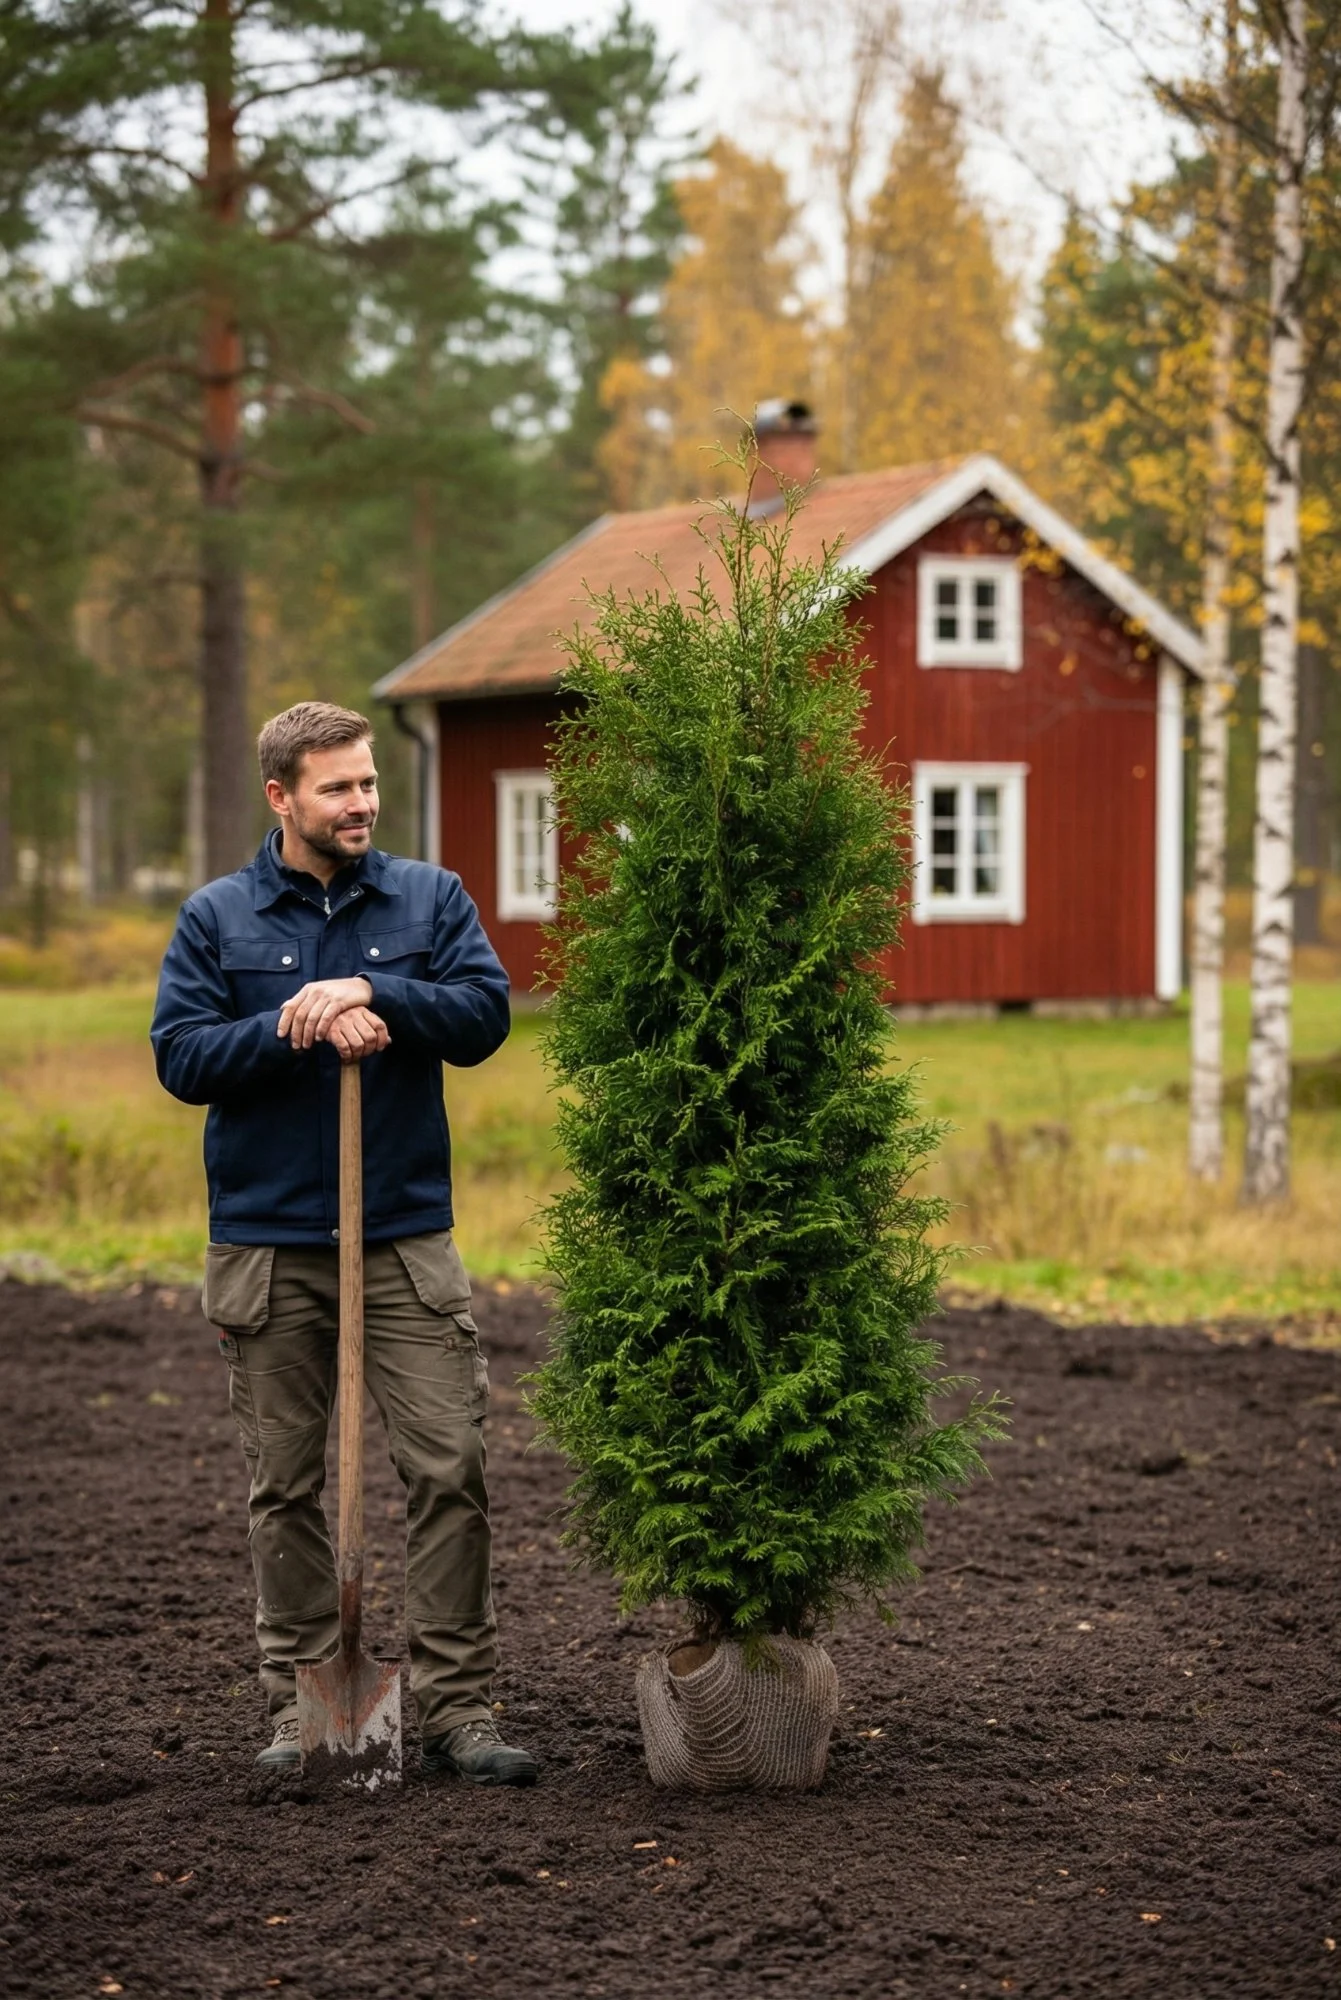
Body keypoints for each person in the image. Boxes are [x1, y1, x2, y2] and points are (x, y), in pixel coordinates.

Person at [151, 701, 536, 1785]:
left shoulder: (430, 898)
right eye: (337, 787)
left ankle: (459, 1708)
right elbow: (181, 1057)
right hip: (271, 1246)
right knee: (285, 1487)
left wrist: (378, 990)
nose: (362, 802)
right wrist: (298, 1019)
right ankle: (302, 1705)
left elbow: (484, 1014)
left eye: (368, 783)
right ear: (282, 796)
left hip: (405, 1242)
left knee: (450, 1466)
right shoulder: (218, 919)